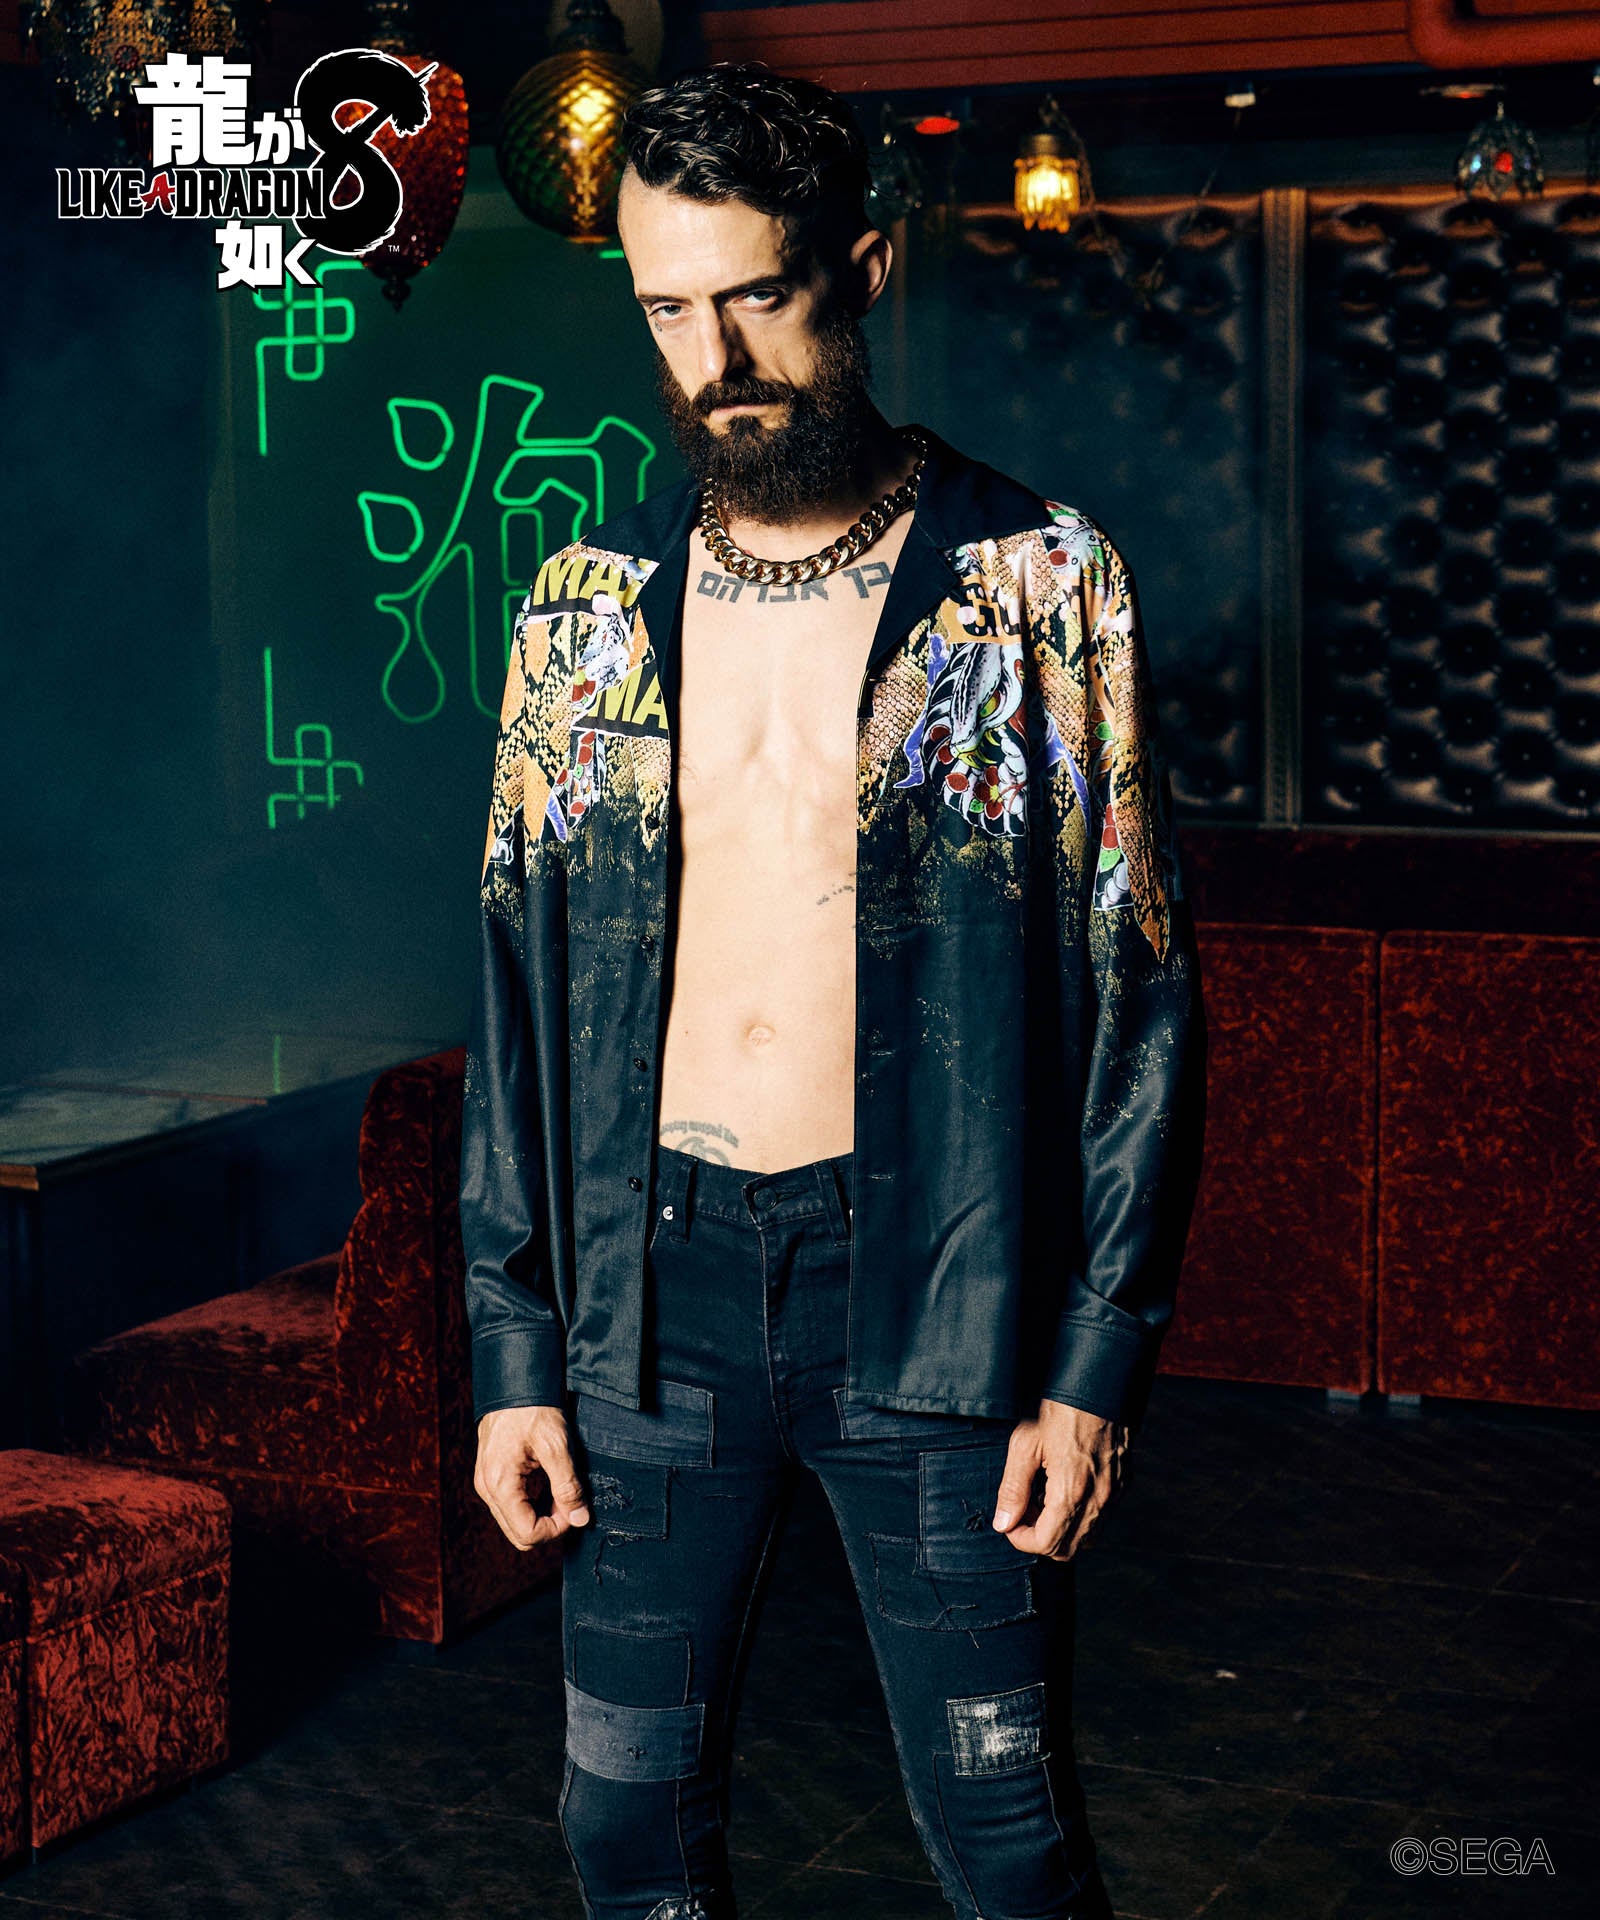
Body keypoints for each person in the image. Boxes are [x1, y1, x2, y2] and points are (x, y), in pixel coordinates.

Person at [461, 60, 1208, 1920]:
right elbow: (518, 1002)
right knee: (621, 1831)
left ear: (863, 270)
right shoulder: (579, 609)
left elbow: (1139, 997)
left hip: (937, 1299)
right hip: (655, 1306)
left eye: (757, 297)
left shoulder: (1039, 586)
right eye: (666, 309)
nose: (713, 358)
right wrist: (513, 1354)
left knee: (1006, 1849)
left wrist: (1092, 1365)